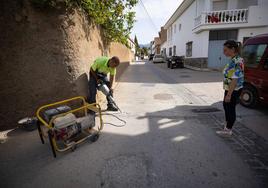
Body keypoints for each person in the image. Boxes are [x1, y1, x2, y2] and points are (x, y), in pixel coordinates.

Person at [216, 40, 244, 136]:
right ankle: (227, 125)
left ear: (233, 49)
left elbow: (235, 80)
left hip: (233, 90)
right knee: (226, 106)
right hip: (229, 89)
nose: (224, 52)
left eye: (225, 50)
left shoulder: (237, 60)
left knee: (230, 108)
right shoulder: (233, 59)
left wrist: (229, 95)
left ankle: (228, 130)